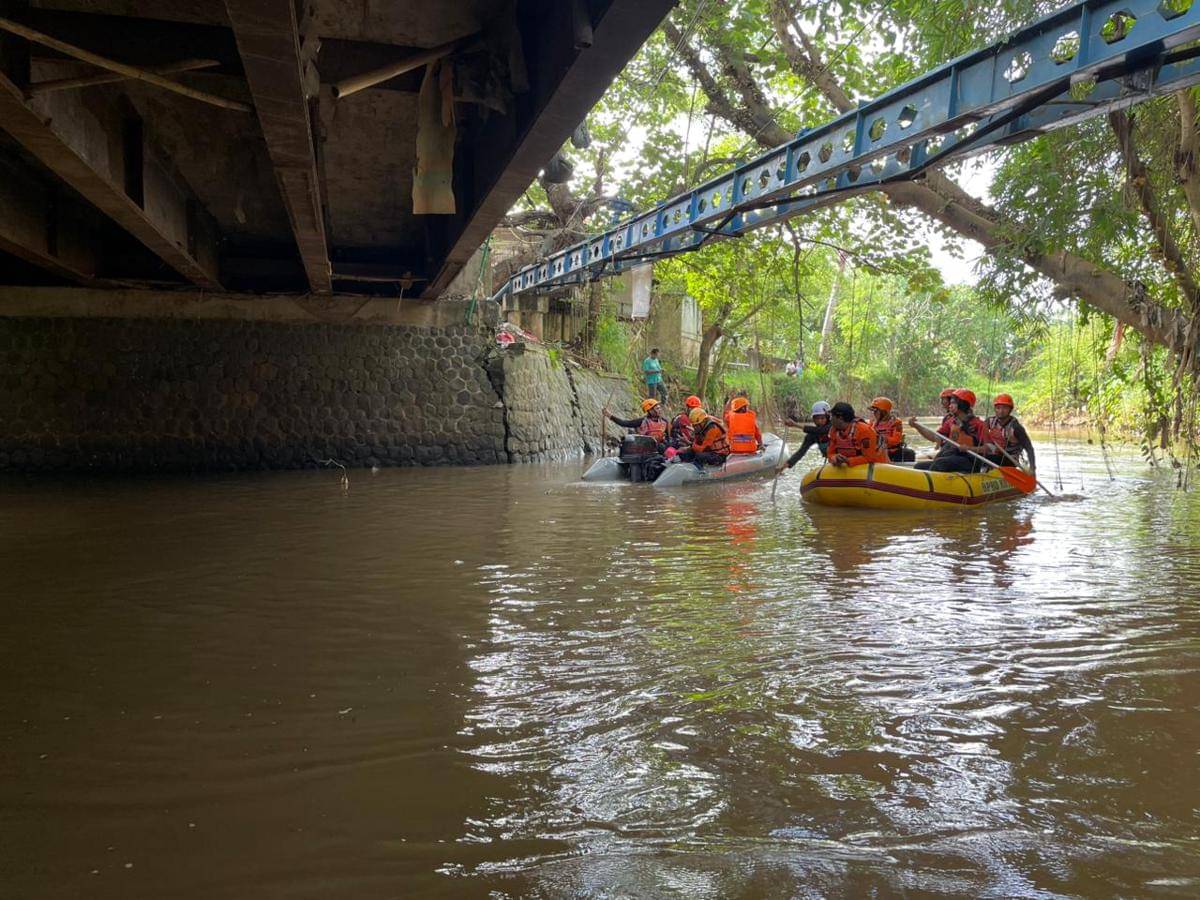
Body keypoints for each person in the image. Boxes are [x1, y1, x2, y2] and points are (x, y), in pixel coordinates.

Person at [909, 388, 988, 472]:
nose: (950, 405)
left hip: (970, 461)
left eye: (953, 403)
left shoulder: (979, 424)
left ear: (962, 404)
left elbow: (989, 448)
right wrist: (917, 426)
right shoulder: (951, 421)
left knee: (940, 463)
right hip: (953, 456)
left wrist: (970, 448)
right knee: (919, 466)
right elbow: (934, 437)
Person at [983, 393, 1036, 472]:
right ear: (995, 409)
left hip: (1010, 459)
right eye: (998, 408)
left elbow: (1029, 448)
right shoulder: (990, 421)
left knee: (988, 457)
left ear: (1010, 409)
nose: (1001, 411)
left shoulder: (1016, 428)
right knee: (979, 455)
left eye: (1005, 408)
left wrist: (1032, 468)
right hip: (994, 454)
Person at [826, 401, 887, 467]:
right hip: (850, 467)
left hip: (877, 467)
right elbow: (830, 453)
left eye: (832, 416)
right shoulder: (833, 431)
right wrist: (834, 458)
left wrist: (848, 461)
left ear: (840, 418)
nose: (830, 419)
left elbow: (869, 458)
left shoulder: (864, 431)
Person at [778, 400, 832, 471]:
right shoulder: (812, 435)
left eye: (822, 418)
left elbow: (822, 430)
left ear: (828, 418)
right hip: (832, 460)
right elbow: (801, 452)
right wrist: (785, 466)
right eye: (816, 419)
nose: (819, 421)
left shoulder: (833, 427)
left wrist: (795, 425)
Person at [604, 398, 669, 449]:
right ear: (650, 410)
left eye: (660, 408)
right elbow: (624, 423)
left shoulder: (664, 422)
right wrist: (610, 416)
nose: (660, 410)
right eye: (657, 408)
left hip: (659, 448)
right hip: (646, 449)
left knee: (663, 447)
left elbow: (669, 437)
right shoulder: (642, 421)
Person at [869, 396, 914, 462]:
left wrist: (881, 439)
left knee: (909, 453)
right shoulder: (872, 422)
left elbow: (896, 440)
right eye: (873, 411)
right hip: (877, 451)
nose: (874, 413)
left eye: (876, 411)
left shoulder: (896, 422)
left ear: (884, 412)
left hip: (892, 452)